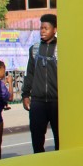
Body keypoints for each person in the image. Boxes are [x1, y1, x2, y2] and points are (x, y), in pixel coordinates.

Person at [21, 13, 59, 153]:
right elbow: (29, 73)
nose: (42, 31)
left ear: (54, 30)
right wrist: (25, 94)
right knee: (37, 139)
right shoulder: (34, 49)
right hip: (38, 102)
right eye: (41, 28)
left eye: (46, 28)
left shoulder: (62, 48)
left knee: (60, 139)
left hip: (57, 102)